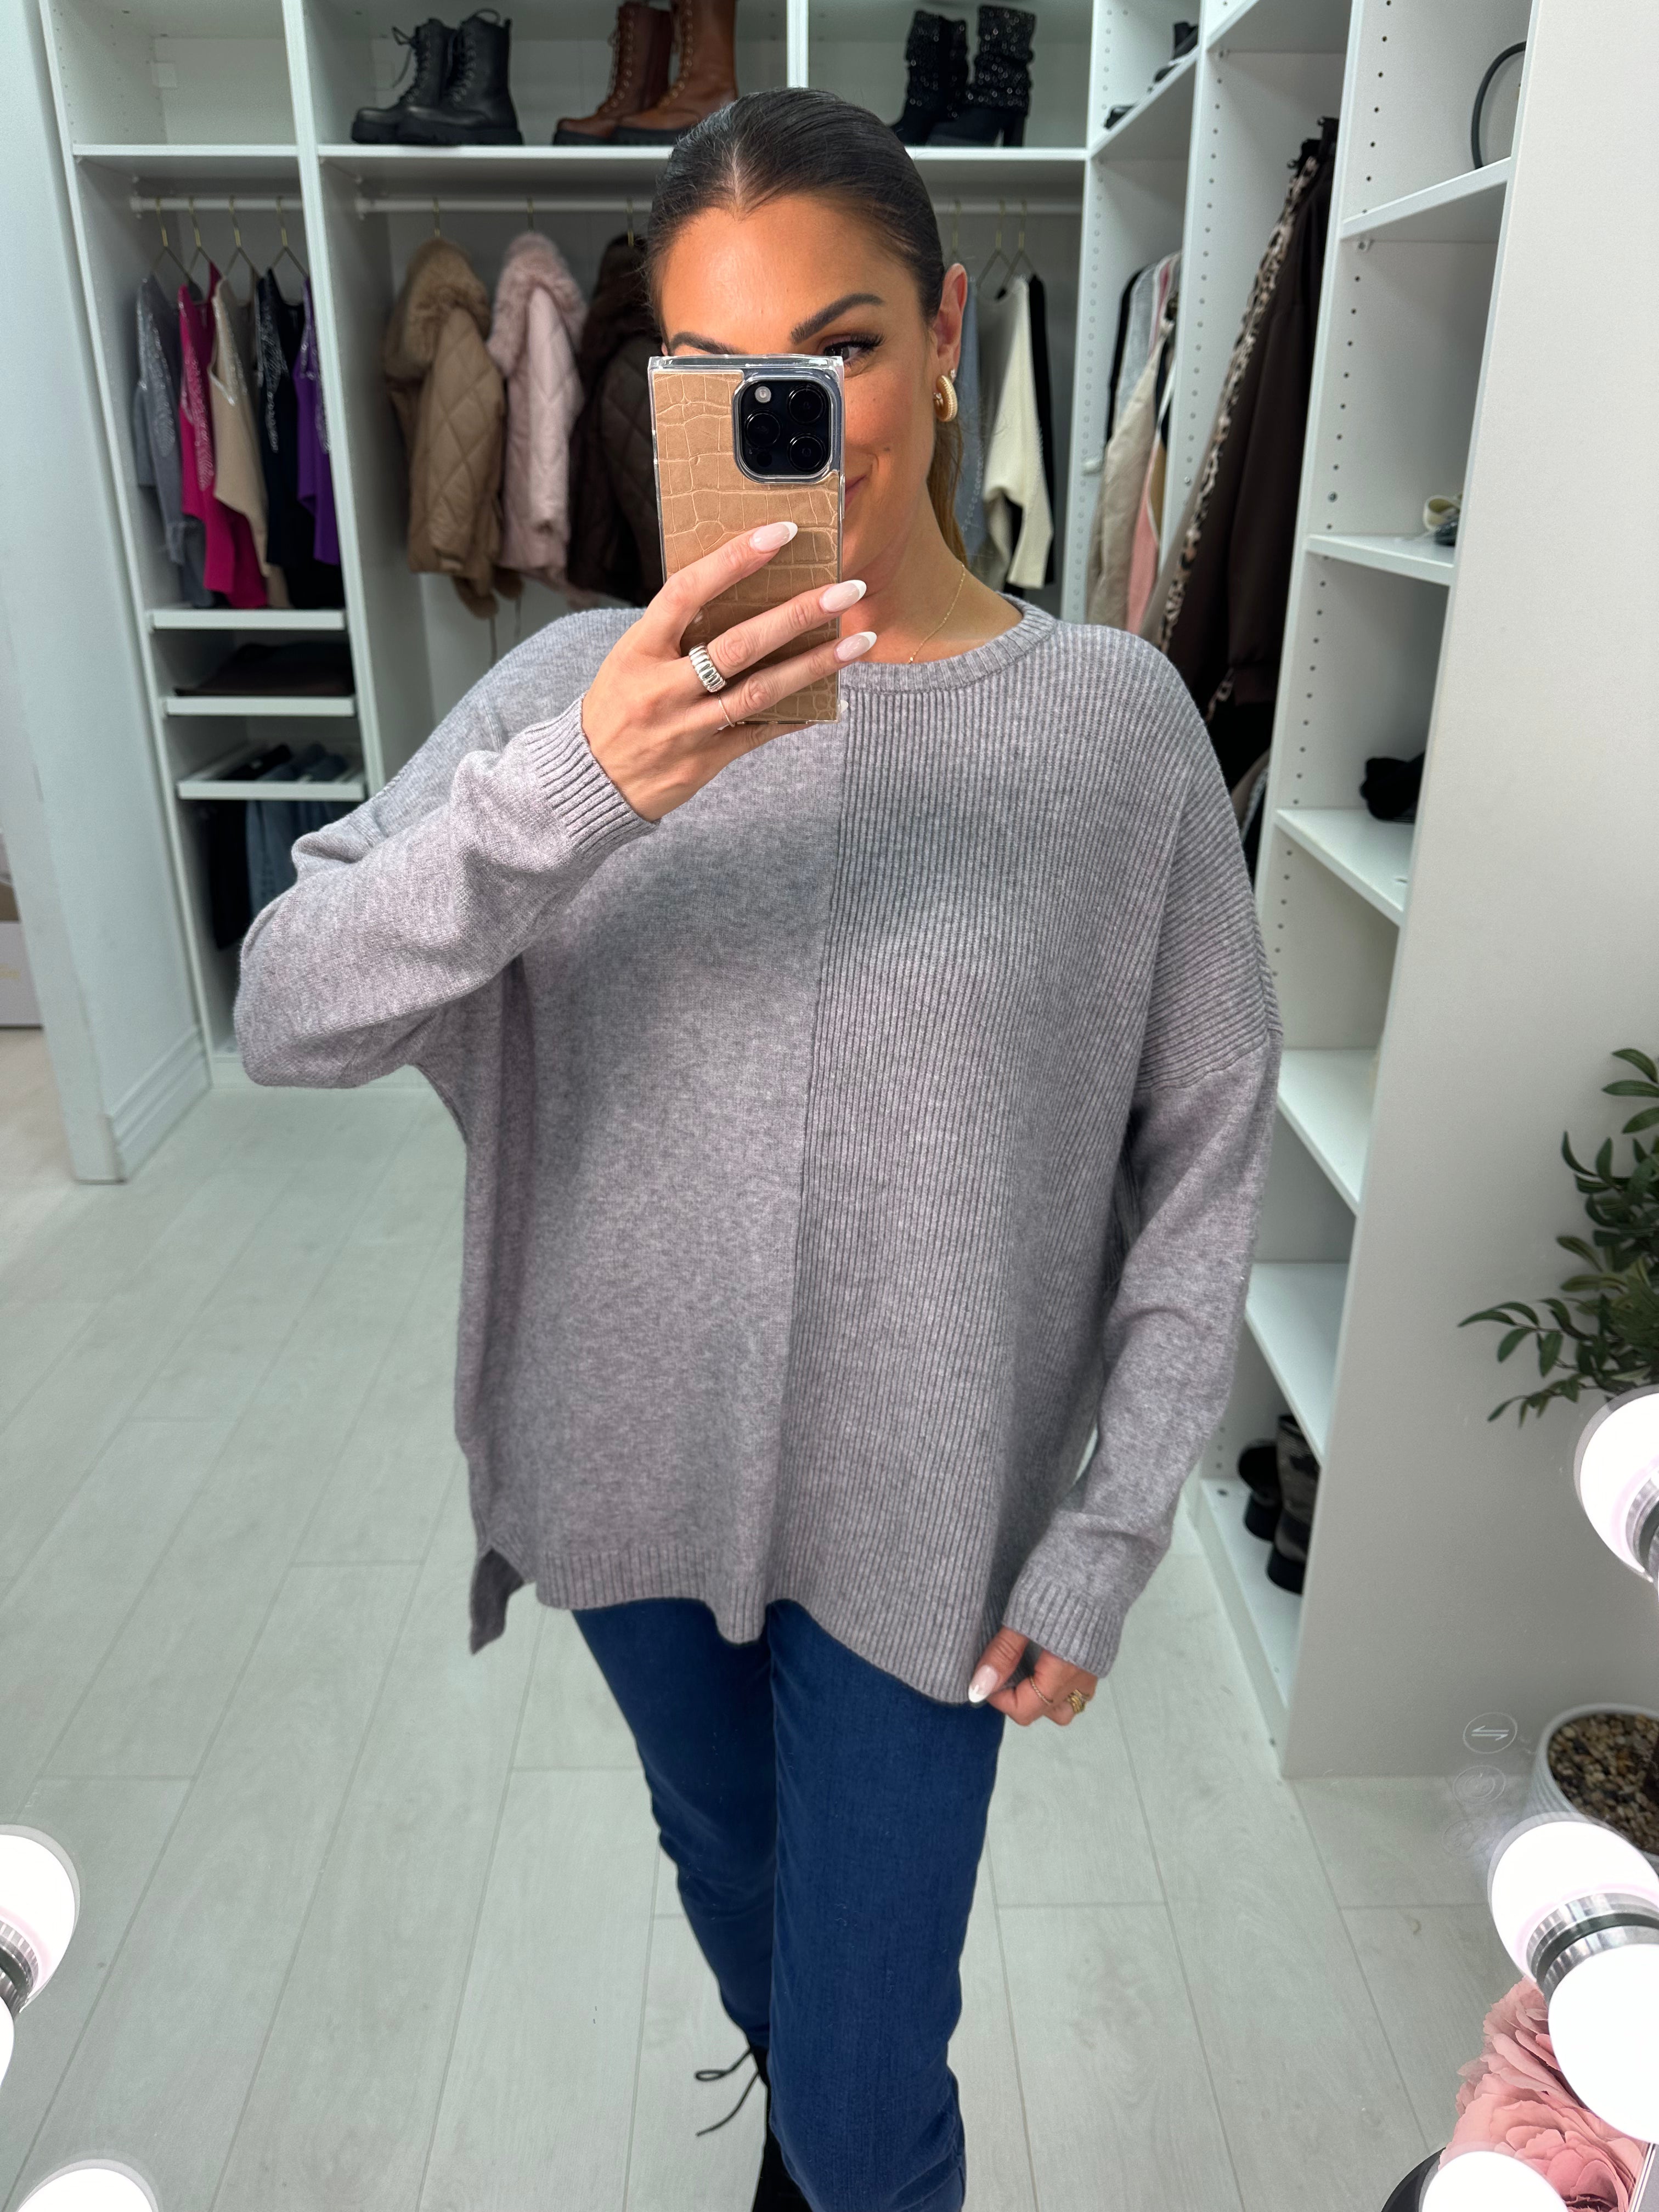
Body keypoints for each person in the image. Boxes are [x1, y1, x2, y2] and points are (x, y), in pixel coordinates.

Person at [236, 87, 1280, 2212]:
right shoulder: (568, 696)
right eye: (719, 374)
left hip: (930, 1525)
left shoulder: (1116, 733)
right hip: (626, 1475)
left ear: (950, 331)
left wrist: (1114, 1528)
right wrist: (584, 790)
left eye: (841, 348)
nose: (790, 418)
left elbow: (1210, 1143)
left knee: (869, 2102)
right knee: (735, 1884)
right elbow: (287, 1007)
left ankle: (830, 2148)